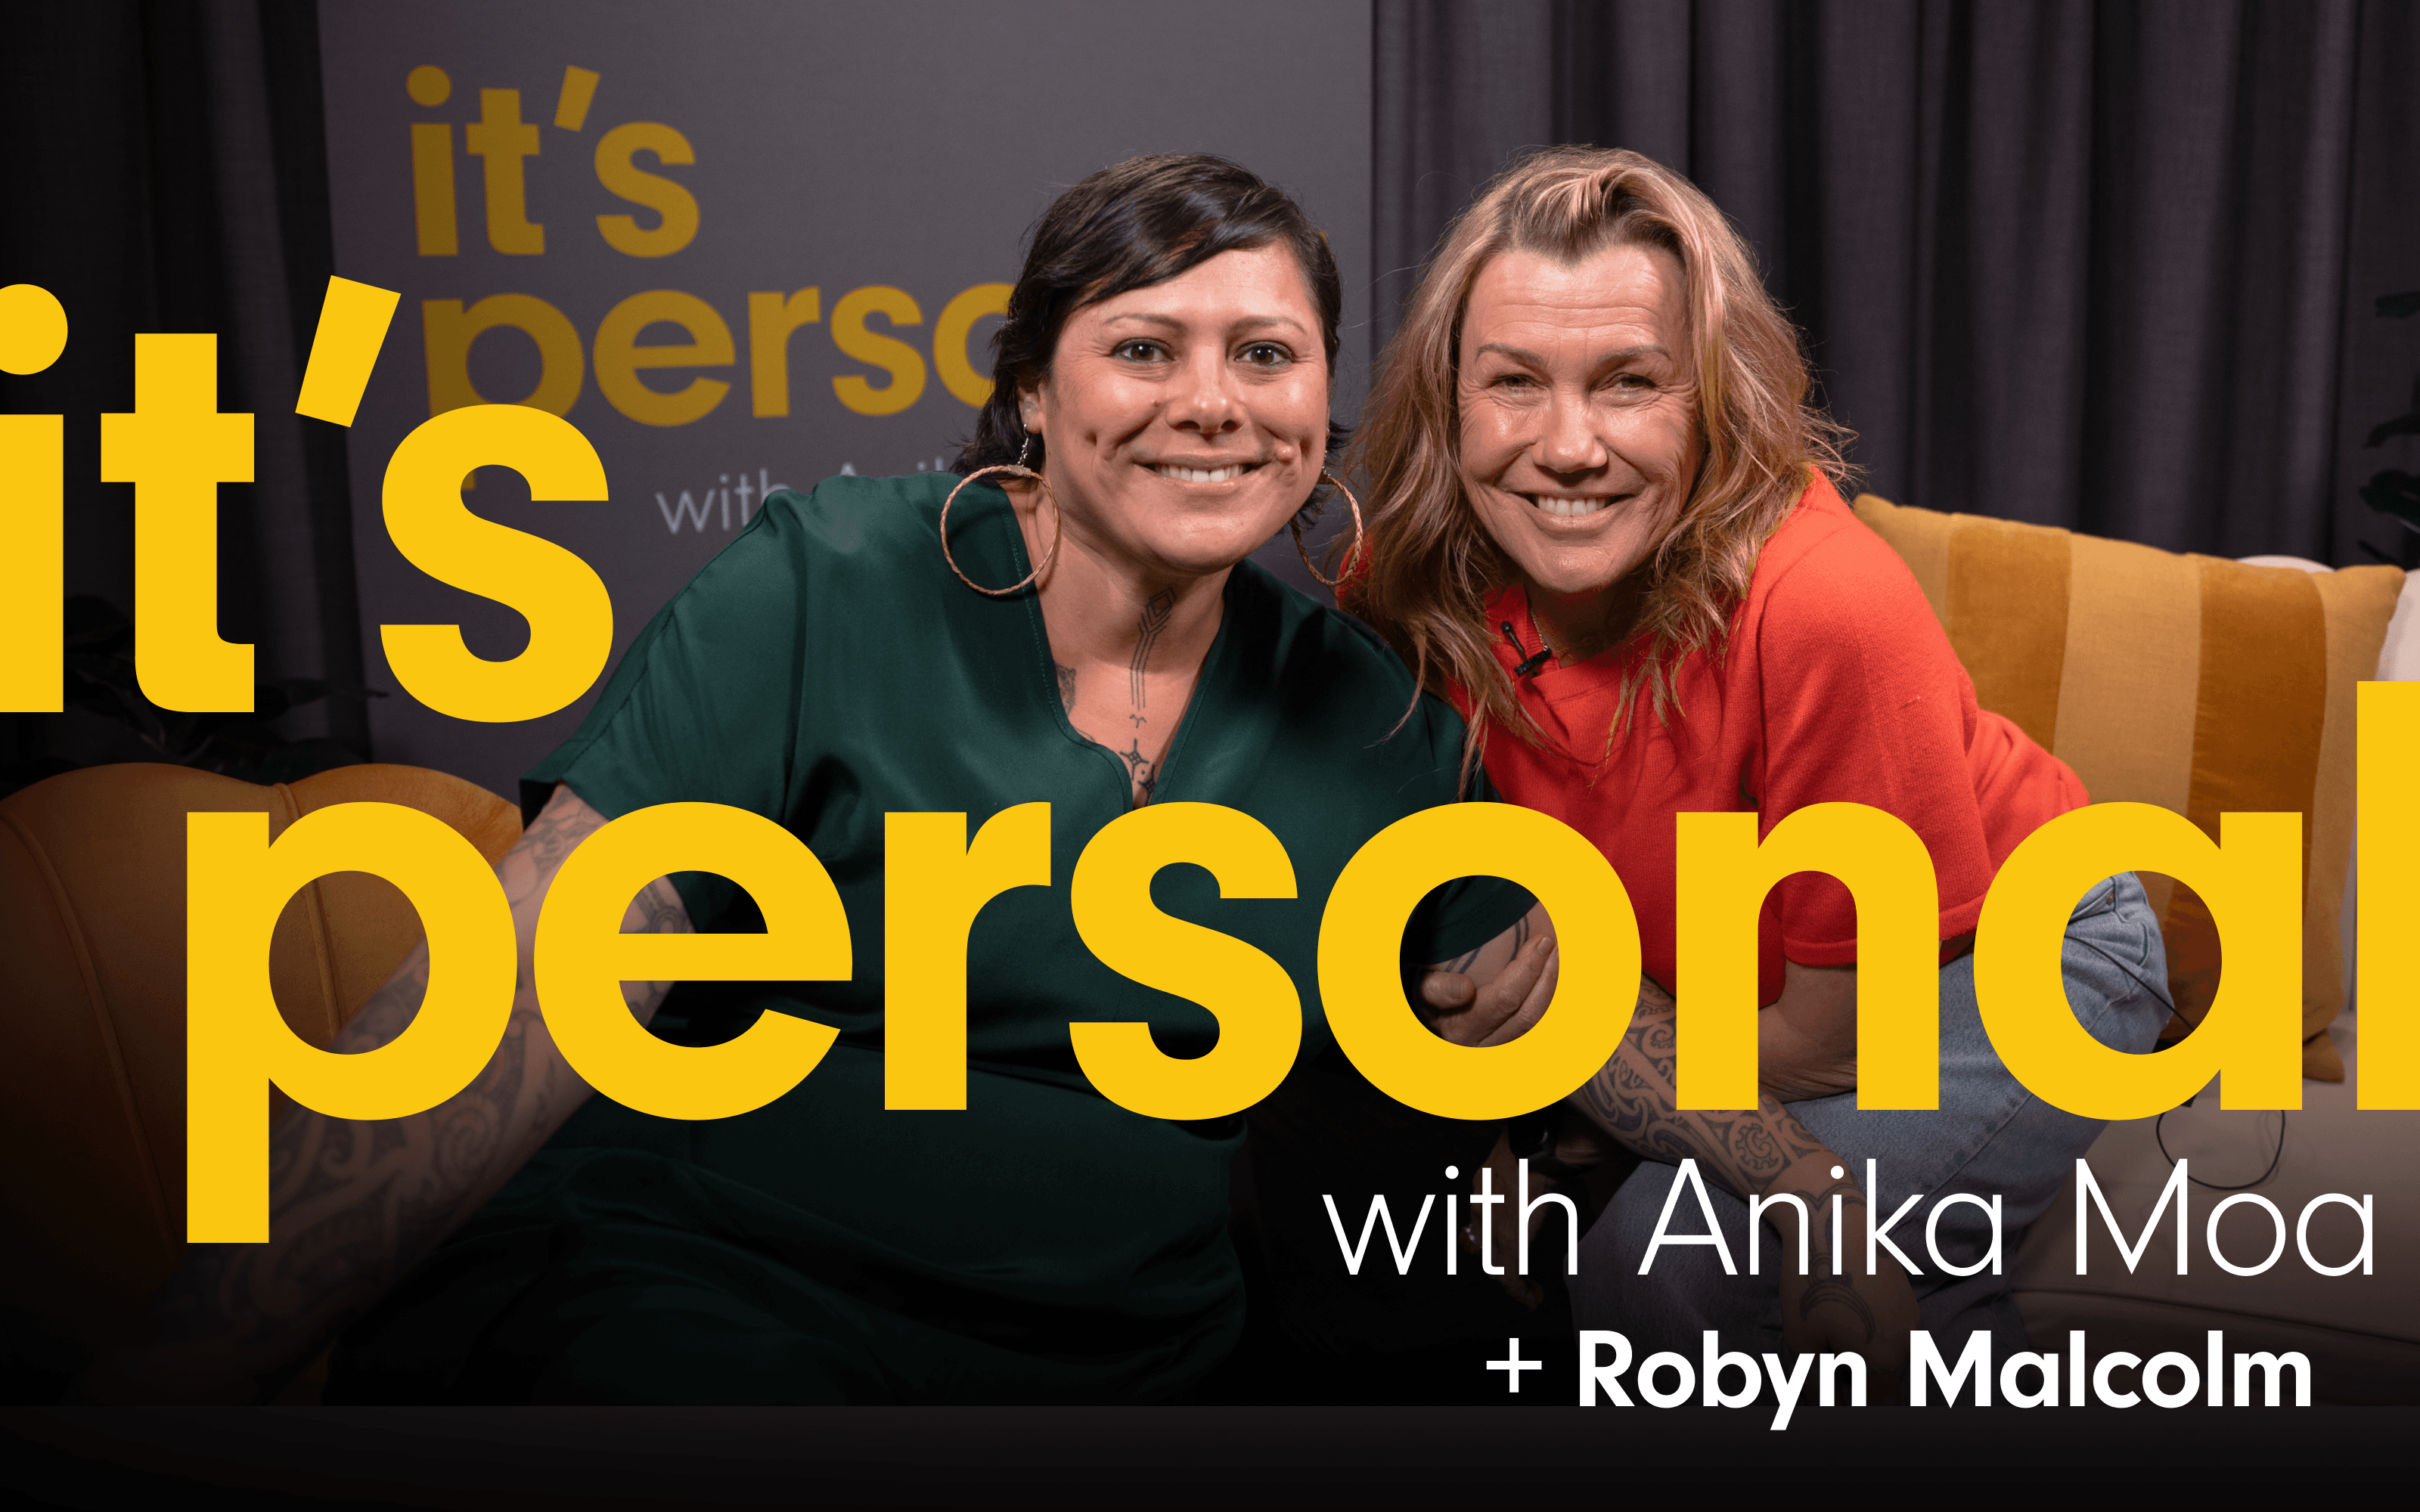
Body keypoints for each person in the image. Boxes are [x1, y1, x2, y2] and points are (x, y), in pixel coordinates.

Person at [81, 153, 1898, 1407]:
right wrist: (190, 1365)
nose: (1212, 400)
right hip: (726, 1299)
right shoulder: (823, 579)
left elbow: (1562, 997)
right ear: (1030, 390)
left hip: (1119, 1357)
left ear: (1323, 409)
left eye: (1265, 355)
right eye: (1143, 347)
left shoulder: (1359, 710)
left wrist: (1805, 1194)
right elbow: (534, 975)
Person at [1348, 146, 2174, 1362]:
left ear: (1715, 401)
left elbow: (1839, 1034)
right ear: (1446, 400)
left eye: (1631, 383)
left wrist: (1585, 1106)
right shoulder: (1407, 589)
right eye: (1514, 382)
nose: (1568, 446)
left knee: (1662, 1274)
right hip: (1724, 991)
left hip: (2002, 963)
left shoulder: (1826, 599)